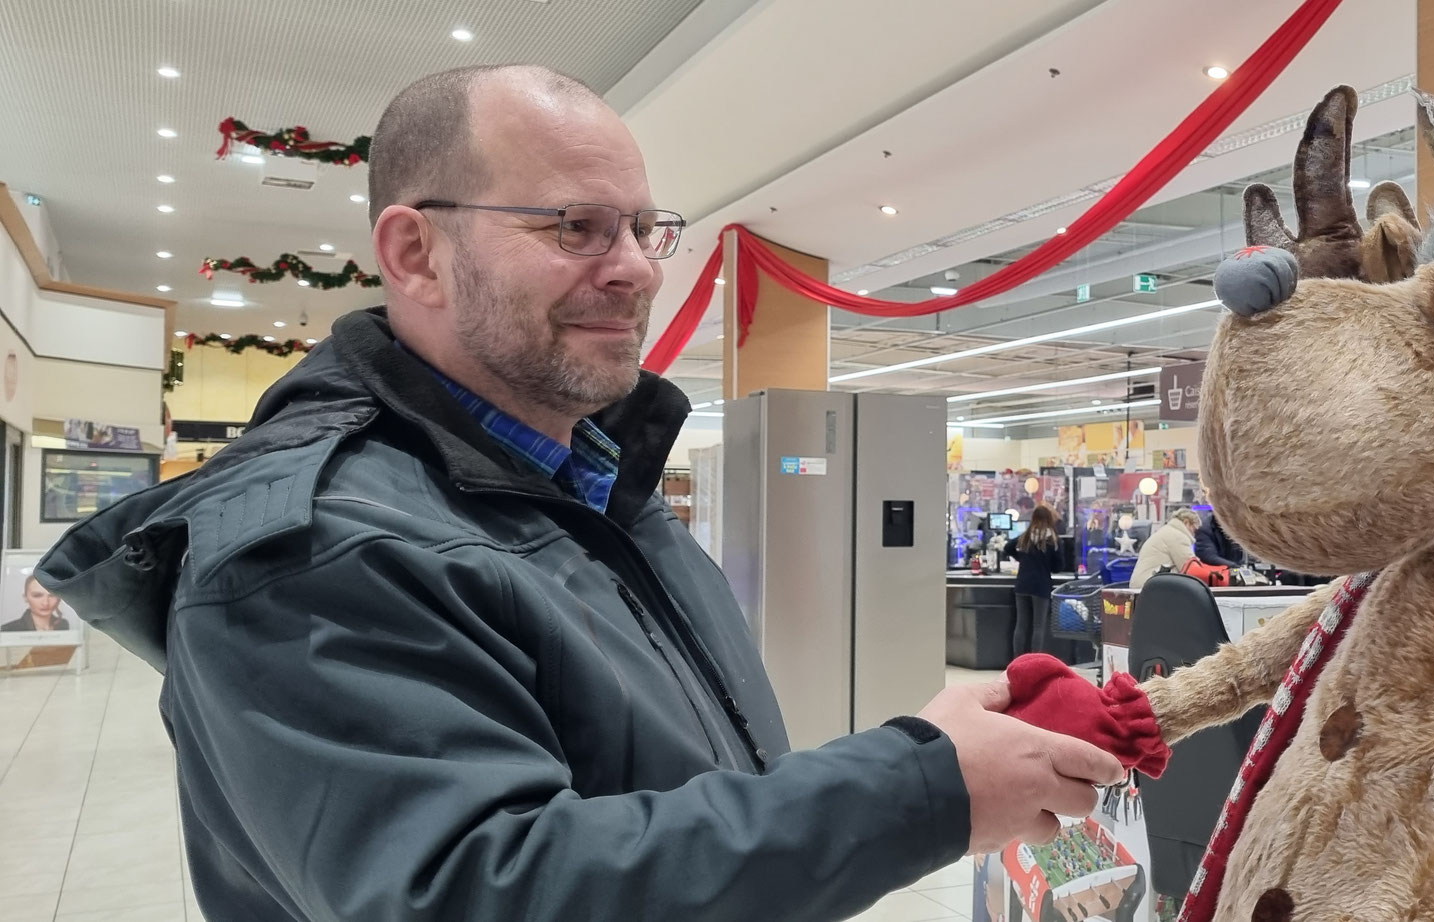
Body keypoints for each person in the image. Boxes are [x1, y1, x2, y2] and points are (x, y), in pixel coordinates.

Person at [32, 65, 1121, 922]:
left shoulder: (598, 488)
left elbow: (671, 781)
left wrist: (914, 752)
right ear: (414, 251)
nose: (639, 268)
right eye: (572, 226)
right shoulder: (315, 549)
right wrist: (919, 791)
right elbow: (479, 890)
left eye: (644, 228)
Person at [1007, 505, 1064, 657]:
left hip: (1022, 584)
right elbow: (1058, 566)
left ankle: (1016, 660)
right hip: (1041, 586)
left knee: (1021, 624)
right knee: (1038, 626)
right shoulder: (1052, 539)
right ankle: (1034, 661)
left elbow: (1007, 547)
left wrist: (1022, 559)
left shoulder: (1025, 536)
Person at [1132, 508, 1201, 591]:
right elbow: (1190, 567)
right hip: (1152, 587)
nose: (1194, 534)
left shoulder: (1166, 531)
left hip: (1145, 584)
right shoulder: (1178, 536)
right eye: (1194, 529)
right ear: (1186, 522)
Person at [0, 578, 69, 632]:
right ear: (25, 597)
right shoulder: (9, 629)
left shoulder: (63, 624)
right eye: (37, 595)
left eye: (52, 595)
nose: (45, 603)